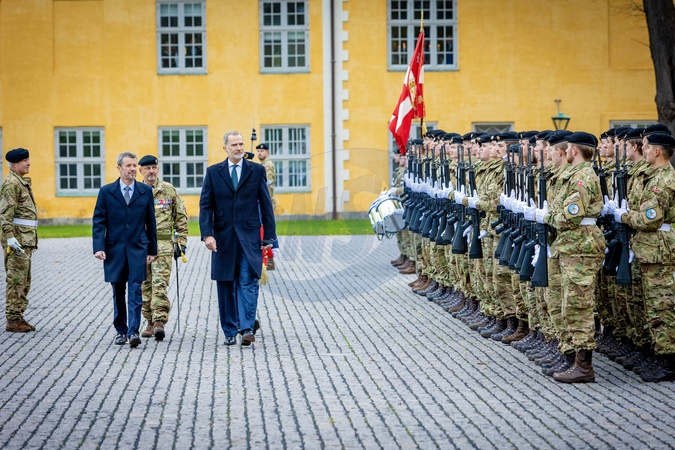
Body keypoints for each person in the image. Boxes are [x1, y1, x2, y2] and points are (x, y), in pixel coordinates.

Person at [536, 131, 605, 383]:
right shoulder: (573, 175)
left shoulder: (582, 177)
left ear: (574, 151)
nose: (562, 152)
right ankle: (571, 357)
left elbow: (570, 216)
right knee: (563, 303)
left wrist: (545, 217)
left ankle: (584, 366)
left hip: (581, 245)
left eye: (566, 149)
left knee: (578, 306)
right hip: (569, 244)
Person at [199, 130, 276, 346]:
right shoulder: (213, 172)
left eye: (241, 144)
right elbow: (206, 206)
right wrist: (207, 234)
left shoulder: (256, 171)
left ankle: (247, 328)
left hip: (249, 238)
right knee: (225, 283)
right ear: (225, 148)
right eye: (234, 145)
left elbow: (266, 204)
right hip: (222, 239)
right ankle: (230, 330)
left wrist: (269, 236)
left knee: (248, 280)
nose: (239, 148)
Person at [614, 132, 675, 381]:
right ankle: (655, 353)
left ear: (657, 151)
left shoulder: (663, 180)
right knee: (649, 305)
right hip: (649, 249)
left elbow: (650, 219)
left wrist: (624, 216)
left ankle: (668, 361)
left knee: (662, 306)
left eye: (647, 147)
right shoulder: (653, 176)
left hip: (659, 249)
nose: (644, 150)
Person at [93, 152, 158, 348]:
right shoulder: (107, 191)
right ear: (119, 168)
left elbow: (151, 222)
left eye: (134, 165)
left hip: (138, 248)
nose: (132, 169)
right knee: (118, 290)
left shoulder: (145, 191)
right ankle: (121, 330)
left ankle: (134, 331)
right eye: (128, 165)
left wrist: (152, 250)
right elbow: (99, 220)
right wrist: (98, 247)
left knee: (136, 289)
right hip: (114, 249)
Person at [138, 155, 189, 341]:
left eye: (154, 167)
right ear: (141, 171)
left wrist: (181, 243)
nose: (151, 171)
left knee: (159, 284)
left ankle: (159, 322)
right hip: (141, 246)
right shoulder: (136, 191)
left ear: (158, 169)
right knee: (145, 285)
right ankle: (149, 321)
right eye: (147, 168)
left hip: (163, 246)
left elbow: (180, 217)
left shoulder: (168, 190)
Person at [1, 148, 38, 332]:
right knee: (16, 279)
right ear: (14, 164)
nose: (28, 163)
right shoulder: (11, 184)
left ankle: (18, 315)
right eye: (24, 160)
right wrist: (9, 237)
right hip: (17, 240)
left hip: (25, 239)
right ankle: (13, 319)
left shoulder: (20, 182)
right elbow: (5, 214)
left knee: (24, 279)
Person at [255, 142, 278, 270]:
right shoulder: (262, 165)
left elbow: (267, 186)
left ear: (267, 152)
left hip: (266, 202)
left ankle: (269, 259)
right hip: (263, 202)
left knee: (267, 229)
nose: (259, 153)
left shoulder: (267, 166)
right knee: (263, 228)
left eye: (262, 151)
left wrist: (264, 202)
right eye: (258, 151)